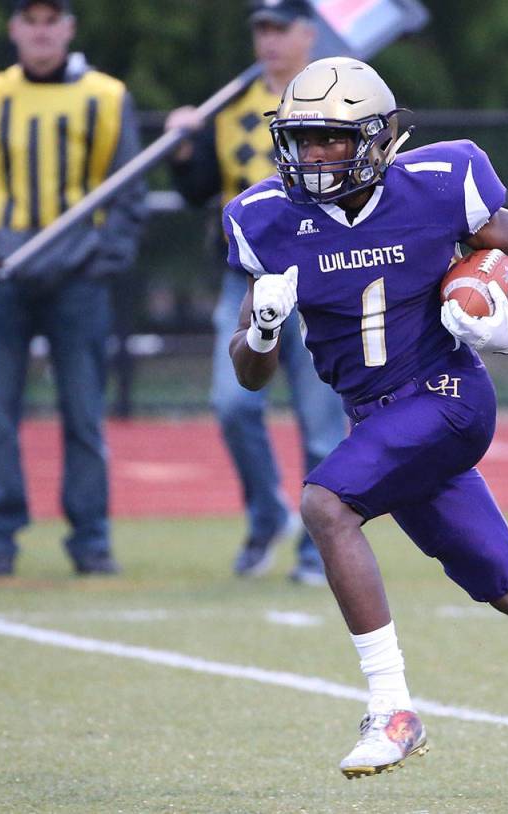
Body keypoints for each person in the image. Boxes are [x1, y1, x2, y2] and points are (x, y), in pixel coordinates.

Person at [224, 57, 508, 778]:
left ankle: (392, 709)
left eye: (332, 140)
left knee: (325, 503)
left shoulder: (441, 185)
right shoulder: (266, 221)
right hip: (375, 423)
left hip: (448, 396)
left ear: (375, 141)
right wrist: (262, 331)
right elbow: (250, 377)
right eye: (302, 138)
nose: (313, 155)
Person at [0, 0, 147, 577]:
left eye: (51, 20)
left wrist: (104, 261)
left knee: (84, 413)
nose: (40, 32)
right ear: (13, 29)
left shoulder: (107, 97)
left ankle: (90, 540)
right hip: (2, 281)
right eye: (29, 21)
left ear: (69, 28)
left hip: (77, 282)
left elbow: (129, 193)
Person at [164, 0, 346, 585]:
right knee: (234, 404)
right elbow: (199, 192)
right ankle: (267, 515)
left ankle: (319, 549)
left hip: (323, 282)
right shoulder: (231, 108)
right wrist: (185, 145)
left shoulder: (335, 101)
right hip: (246, 281)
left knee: (322, 425)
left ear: (307, 33)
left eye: (279, 28)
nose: (268, 40)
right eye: (260, 30)